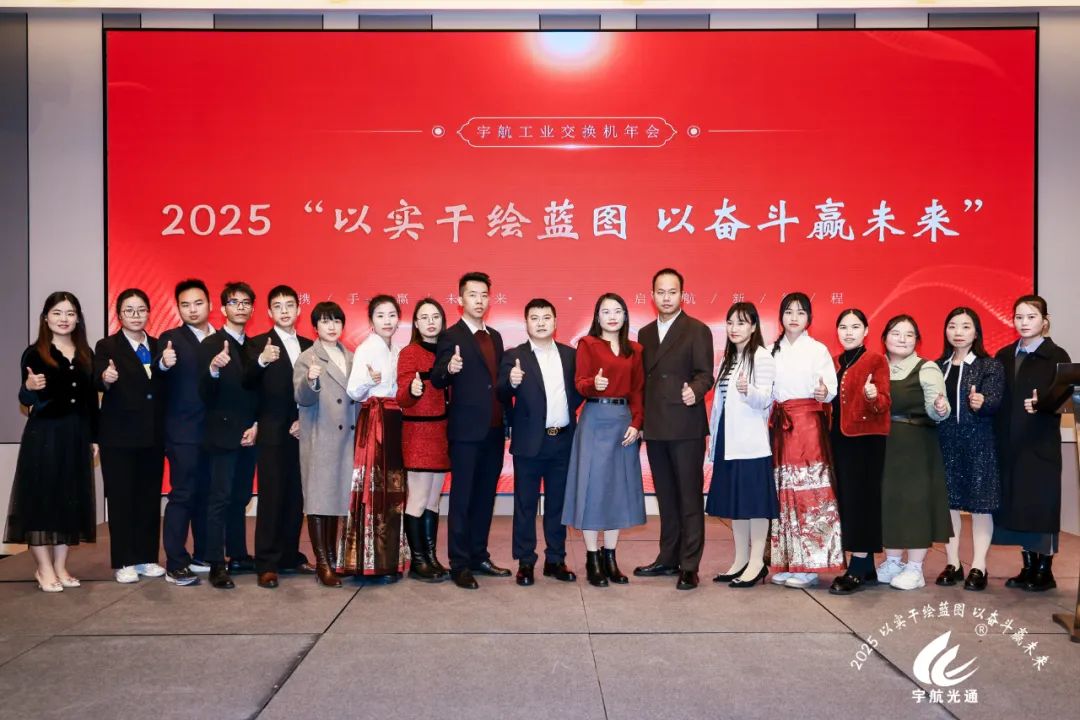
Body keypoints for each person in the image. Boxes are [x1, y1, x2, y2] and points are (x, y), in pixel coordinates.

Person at [5, 291, 98, 592]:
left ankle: (60, 566)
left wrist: (94, 437)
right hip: (45, 435)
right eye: (57, 313)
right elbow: (26, 399)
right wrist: (29, 386)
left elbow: (91, 401)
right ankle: (43, 569)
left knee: (68, 502)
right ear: (46, 318)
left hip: (77, 436)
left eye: (70, 313)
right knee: (41, 502)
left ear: (78, 318)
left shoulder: (86, 353)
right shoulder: (34, 354)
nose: (64, 319)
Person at [635, 269, 714, 591]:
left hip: (685, 425)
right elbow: (641, 383)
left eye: (672, 292)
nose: (666, 298)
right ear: (652, 295)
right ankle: (667, 557)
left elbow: (705, 374)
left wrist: (694, 390)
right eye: (661, 292)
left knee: (689, 497)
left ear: (682, 294)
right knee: (666, 497)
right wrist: (638, 422)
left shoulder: (697, 330)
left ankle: (690, 565)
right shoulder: (644, 334)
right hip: (655, 427)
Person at [431, 272, 511, 589]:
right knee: (462, 498)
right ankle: (459, 563)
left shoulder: (496, 337)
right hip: (466, 432)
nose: (479, 300)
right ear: (460, 299)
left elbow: (499, 384)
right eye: (473, 295)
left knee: (485, 497)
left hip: (494, 430)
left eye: (484, 295)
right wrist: (448, 369)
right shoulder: (451, 336)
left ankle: (479, 555)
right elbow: (437, 377)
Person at [497, 299, 583, 586]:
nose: (541, 322)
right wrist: (511, 381)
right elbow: (500, 392)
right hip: (529, 442)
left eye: (546, 317)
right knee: (525, 504)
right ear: (526, 323)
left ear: (555, 322)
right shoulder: (514, 356)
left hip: (563, 441)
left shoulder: (570, 356)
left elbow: (578, 391)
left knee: (558, 504)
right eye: (535, 318)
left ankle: (555, 559)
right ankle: (525, 561)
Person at [563, 293, 646, 587]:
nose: (612, 316)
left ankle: (611, 557)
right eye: (606, 311)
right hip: (595, 420)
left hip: (623, 421)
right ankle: (592, 558)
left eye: (617, 311)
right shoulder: (587, 344)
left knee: (617, 490)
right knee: (592, 489)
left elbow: (638, 390)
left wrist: (637, 423)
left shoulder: (635, 350)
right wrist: (593, 384)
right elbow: (580, 383)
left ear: (625, 316)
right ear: (597, 316)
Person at [992, 295, 1072, 592]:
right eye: (1019, 317)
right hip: (1009, 445)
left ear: (1044, 321)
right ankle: (1027, 567)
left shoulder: (1056, 355)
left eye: (1031, 317)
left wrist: (1044, 404)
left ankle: (1044, 570)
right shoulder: (1004, 355)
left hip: (1040, 445)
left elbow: (1065, 399)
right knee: (1017, 506)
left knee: (1041, 506)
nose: (1024, 323)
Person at [768, 292, 844, 589]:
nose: (794, 317)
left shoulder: (817, 349)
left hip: (808, 424)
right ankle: (789, 561)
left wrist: (824, 392)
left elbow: (830, 388)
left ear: (809, 318)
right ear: (781, 317)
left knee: (811, 491)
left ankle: (812, 565)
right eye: (789, 311)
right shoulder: (771, 350)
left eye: (801, 312)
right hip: (781, 426)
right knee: (784, 493)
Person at [242, 285, 314, 589]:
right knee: (272, 496)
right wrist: (261, 361)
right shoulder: (258, 344)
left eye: (289, 305)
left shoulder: (310, 345)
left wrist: (304, 420)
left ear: (299, 310)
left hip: (305, 430)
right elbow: (246, 382)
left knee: (297, 497)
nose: (284, 311)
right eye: (278, 306)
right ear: (269, 312)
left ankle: (289, 556)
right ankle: (267, 562)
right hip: (272, 431)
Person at [94, 288, 166, 584]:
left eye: (141, 310)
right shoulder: (107, 346)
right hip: (118, 437)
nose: (136, 316)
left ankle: (147, 557)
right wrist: (105, 378)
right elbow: (97, 376)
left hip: (153, 436)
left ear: (149, 312)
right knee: (121, 498)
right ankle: (124, 560)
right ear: (119, 315)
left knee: (148, 498)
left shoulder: (160, 345)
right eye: (129, 310)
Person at [877, 315, 952, 591]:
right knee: (890, 501)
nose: (902, 339)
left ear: (917, 341)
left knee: (915, 503)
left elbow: (938, 407)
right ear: (885, 337)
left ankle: (915, 568)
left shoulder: (926, 368)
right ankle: (893, 561)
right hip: (885, 444)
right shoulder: (877, 367)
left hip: (916, 444)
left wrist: (940, 408)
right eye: (896, 333)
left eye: (909, 335)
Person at [705, 302, 776, 589]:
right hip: (728, 438)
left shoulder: (762, 356)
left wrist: (749, 391)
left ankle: (757, 562)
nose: (734, 328)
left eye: (742, 322)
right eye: (730, 322)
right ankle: (741, 560)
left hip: (751, 442)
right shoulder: (729, 358)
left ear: (754, 326)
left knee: (755, 503)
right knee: (737, 503)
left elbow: (767, 399)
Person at [936, 307, 1004, 592]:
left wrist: (982, 402)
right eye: (953, 326)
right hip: (945, 441)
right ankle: (953, 563)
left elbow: (995, 400)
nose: (958, 332)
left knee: (980, 505)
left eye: (965, 326)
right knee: (949, 504)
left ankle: (978, 565)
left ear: (976, 333)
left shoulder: (990, 366)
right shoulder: (938, 366)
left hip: (978, 441)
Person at [341, 294, 409, 581]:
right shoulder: (366, 348)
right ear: (371, 321)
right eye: (380, 315)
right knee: (374, 490)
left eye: (392, 315)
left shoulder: (398, 349)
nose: (387, 321)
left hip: (395, 420)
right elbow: (353, 391)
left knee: (394, 492)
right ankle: (371, 562)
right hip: (376, 420)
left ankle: (390, 560)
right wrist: (371, 379)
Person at [199, 281, 260, 589]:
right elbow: (203, 392)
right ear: (223, 309)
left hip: (250, 433)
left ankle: (238, 555)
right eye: (234, 302)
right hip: (222, 434)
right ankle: (215, 562)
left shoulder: (256, 346)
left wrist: (257, 425)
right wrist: (213, 368)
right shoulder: (211, 344)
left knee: (241, 497)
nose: (241, 307)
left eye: (246, 302)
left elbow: (260, 392)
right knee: (220, 499)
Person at [294, 301, 359, 588]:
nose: (331, 327)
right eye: (325, 321)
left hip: (347, 439)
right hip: (321, 436)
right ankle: (322, 563)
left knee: (336, 499)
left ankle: (333, 559)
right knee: (319, 500)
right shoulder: (308, 357)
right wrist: (310, 381)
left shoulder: (352, 356)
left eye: (336, 321)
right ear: (315, 327)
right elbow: (302, 397)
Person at [828, 309, 891, 595]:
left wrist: (872, 396)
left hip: (866, 439)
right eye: (843, 327)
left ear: (866, 331)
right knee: (848, 500)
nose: (849, 332)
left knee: (862, 500)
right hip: (840, 439)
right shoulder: (835, 361)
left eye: (855, 327)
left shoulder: (875, 360)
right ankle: (866, 568)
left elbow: (884, 402)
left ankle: (857, 565)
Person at [157, 278, 214, 587]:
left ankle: (202, 555)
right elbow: (158, 372)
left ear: (210, 304)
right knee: (183, 495)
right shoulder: (171, 339)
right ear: (178, 308)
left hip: (215, 432)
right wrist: (163, 364)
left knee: (207, 494)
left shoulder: (221, 338)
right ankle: (176, 563)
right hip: (184, 431)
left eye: (198, 303)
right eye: (185, 305)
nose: (192, 309)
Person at [395, 299, 451, 582]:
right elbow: (402, 395)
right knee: (417, 499)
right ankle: (417, 561)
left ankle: (431, 557)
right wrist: (412, 389)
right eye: (424, 317)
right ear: (416, 323)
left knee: (433, 501)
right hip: (418, 434)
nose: (430, 322)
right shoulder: (409, 352)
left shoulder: (449, 352)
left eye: (435, 316)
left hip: (442, 434)